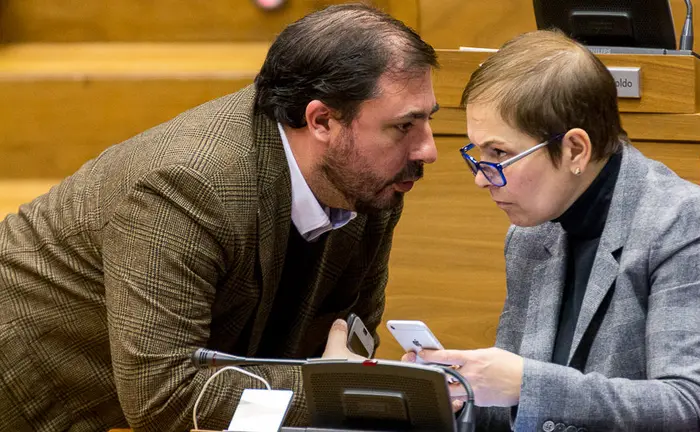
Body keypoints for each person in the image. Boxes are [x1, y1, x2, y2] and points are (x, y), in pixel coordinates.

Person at [0, 4, 438, 431]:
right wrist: (344, 388)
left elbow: (344, 341)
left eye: (428, 121)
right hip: (25, 394)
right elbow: (167, 398)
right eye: (404, 126)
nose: (427, 150)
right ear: (322, 120)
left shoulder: (366, 179)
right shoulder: (188, 186)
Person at [406, 30, 700, 431]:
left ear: (575, 149)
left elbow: (685, 407)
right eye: (478, 153)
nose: (482, 179)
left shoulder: (684, 223)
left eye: (499, 154)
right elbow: (514, 408)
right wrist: (457, 393)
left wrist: (524, 384)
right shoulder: (531, 234)